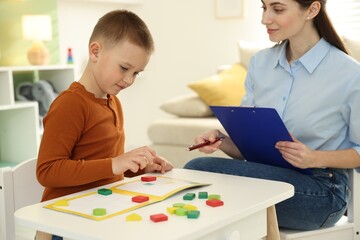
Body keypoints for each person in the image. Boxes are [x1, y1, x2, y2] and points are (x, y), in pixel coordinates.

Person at [184, 0, 360, 231]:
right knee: (195, 176)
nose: (265, 19)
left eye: (277, 9)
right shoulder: (260, 64)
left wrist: (314, 158)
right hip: (267, 177)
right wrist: (221, 141)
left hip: (321, 189)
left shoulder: (349, 73)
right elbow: (250, 150)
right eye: (264, 8)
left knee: (199, 170)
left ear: (312, 10)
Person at [35, 10, 173, 240]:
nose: (129, 80)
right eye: (124, 68)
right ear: (95, 51)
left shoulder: (113, 101)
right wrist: (116, 164)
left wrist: (137, 167)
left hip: (100, 213)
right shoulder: (71, 104)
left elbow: (101, 164)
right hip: (66, 222)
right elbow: (47, 171)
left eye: (136, 73)